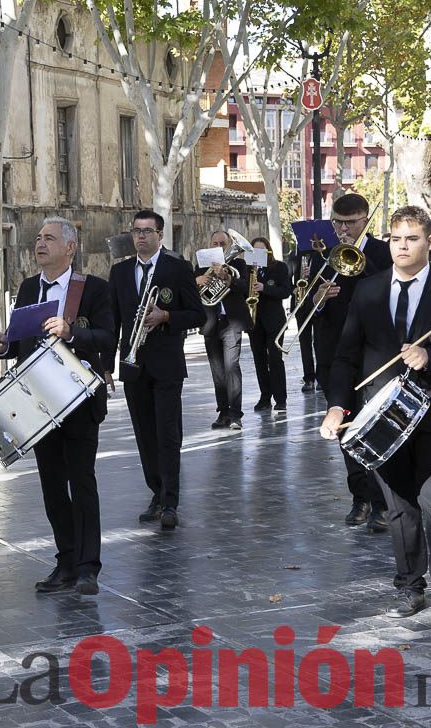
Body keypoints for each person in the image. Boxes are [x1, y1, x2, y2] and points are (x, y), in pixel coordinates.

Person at [320, 206, 431, 632]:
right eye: (395, 239)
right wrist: (337, 405)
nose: (402, 246)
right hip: (382, 418)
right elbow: (346, 356)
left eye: (412, 238)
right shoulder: (369, 290)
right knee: (398, 507)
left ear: (430, 241)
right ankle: (410, 585)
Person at [0, 218, 114, 595]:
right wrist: (4, 346)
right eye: (38, 238)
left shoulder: (92, 289)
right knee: (53, 487)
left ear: (70, 248)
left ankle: (89, 567)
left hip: (79, 400)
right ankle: (66, 561)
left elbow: (108, 338)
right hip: (38, 403)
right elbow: (20, 341)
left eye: (49, 238)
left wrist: (73, 332)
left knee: (82, 482)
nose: (39, 244)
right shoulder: (29, 287)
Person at [104, 210, 207, 530]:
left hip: (166, 364)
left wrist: (166, 317)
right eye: (136, 231)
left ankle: (171, 501)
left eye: (148, 231)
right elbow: (112, 323)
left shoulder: (177, 268)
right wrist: (107, 366)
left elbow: (197, 315)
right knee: (145, 435)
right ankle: (156, 493)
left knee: (167, 434)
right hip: (133, 364)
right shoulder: (119, 272)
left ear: (160, 235)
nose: (141, 236)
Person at [310, 193, 392, 532]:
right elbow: (311, 308)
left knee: (373, 428)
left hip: (372, 354)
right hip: (333, 353)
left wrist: (358, 259)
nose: (344, 229)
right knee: (344, 430)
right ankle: (360, 498)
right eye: (339, 223)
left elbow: (388, 292)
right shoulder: (322, 256)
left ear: (366, 220)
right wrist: (316, 299)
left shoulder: (382, 254)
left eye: (351, 222)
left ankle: (382, 503)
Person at [196, 230, 251, 430]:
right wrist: (198, 281)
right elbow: (190, 290)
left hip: (232, 322)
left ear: (228, 246)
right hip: (211, 323)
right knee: (217, 370)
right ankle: (223, 412)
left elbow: (245, 287)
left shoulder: (238, 264)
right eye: (215, 242)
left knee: (231, 367)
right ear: (209, 244)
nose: (219, 246)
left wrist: (227, 278)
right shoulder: (201, 266)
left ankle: (236, 414)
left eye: (223, 243)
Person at [248, 237, 291, 412]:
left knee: (275, 359)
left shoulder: (279, 267)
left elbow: (286, 291)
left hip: (274, 321)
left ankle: (281, 399)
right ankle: (265, 397)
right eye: (255, 251)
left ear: (268, 251)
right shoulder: (248, 269)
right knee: (259, 360)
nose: (259, 254)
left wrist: (265, 288)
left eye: (262, 251)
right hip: (254, 321)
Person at [290, 243, 319, 392]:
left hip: (318, 302)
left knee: (320, 342)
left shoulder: (323, 254)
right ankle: (309, 378)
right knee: (304, 343)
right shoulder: (296, 256)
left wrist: (311, 274)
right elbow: (288, 279)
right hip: (301, 303)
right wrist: (293, 288)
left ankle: (321, 376)